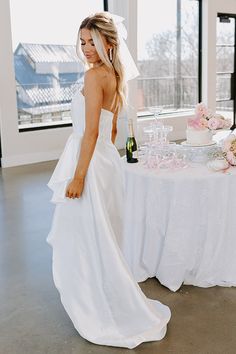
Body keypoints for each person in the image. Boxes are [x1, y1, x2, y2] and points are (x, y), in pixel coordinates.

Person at [47, 12, 171, 349]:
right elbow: (111, 131)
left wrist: (78, 177)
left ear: (109, 42)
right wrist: (101, 163)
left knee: (86, 237)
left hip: (87, 163)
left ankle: (96, 302)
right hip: (105, 161)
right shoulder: (116, 76)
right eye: (83, 41)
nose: (86, 48)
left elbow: (89, 133)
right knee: (101, 236)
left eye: (93, 41)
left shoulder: (93, 78)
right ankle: (105, 293)